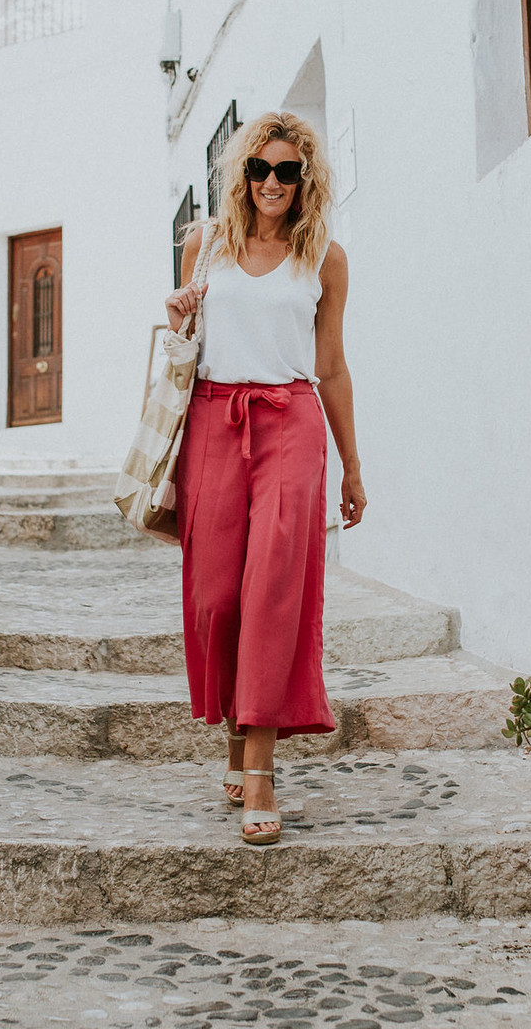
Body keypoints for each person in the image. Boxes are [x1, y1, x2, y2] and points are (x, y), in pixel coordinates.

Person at [165, 110, 366, 846]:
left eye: (287, 171)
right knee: (217, 598)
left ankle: (260, 770)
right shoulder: (205, 245)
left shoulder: (325, 258)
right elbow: (184, 344)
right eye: (260, 169)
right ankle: (233, 730)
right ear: (242, 175)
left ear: (304, 178)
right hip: (216, 424)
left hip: (291, 423)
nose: (272, 183)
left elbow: (333, 367)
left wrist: (352, 466)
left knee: (273, 591)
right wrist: (181, 308)